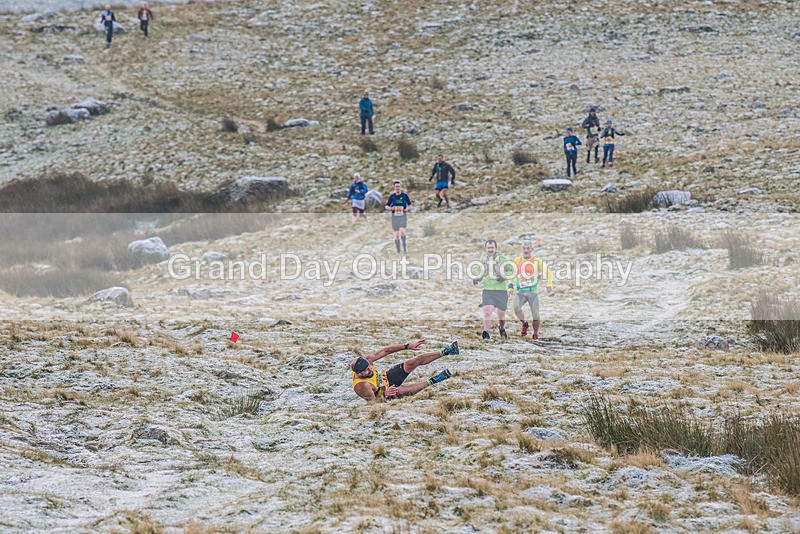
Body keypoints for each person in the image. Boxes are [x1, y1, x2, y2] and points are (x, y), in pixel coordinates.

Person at [351, 340, 458, 402]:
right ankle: (434, 380)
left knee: (411, 363)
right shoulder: (362, 386)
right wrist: (384, 394)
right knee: (399, 391)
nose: (370, 369)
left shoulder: (367, 361)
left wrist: (407, 346)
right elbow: (373, 405)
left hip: (385, 378)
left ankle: (447, 351)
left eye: (369, 367)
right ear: (359, 374)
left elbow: (385, 350)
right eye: (366, 370)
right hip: (383, 393)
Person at [509, 240, 554, 340]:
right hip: (520, 291)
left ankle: (535, 334)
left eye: (528, 248)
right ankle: (524, 324)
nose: (526, 250)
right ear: (521, 249)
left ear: (532, 249)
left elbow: (549, 272)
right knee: (516, 308)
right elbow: (512, 275)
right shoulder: (517, 261)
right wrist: (510, 287)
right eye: (524, 248)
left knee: (536, 315)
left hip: (532, 292)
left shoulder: (537, 261)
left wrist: (549, 284)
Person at [472, 240, 514, 340]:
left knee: (501, 316)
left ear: (495, 248)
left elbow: (511, 270)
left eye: (492, 248)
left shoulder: (503, 258)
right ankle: (486, 333)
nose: (490, 250)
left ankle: (502, 327)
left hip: (501, 290)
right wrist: (477, 278)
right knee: (487, 311)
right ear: (485, 248)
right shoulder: (483, 259)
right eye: (488, 248)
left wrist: (504, 277)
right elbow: (480, 271)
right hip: (487, 290)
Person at [385, 181, 412, 253]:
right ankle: (398, 250)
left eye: (399, 186)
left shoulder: (404, 196)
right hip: (395, 217)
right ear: (394, 187)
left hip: (402, 216)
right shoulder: (392, 196)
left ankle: (404, 247)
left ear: (401, 187)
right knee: (396, 235)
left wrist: (407, 209)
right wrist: (391, 208)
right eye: (396, 186)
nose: (397, 188)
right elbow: (386, 206)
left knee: (402, 231)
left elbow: (410, 205)